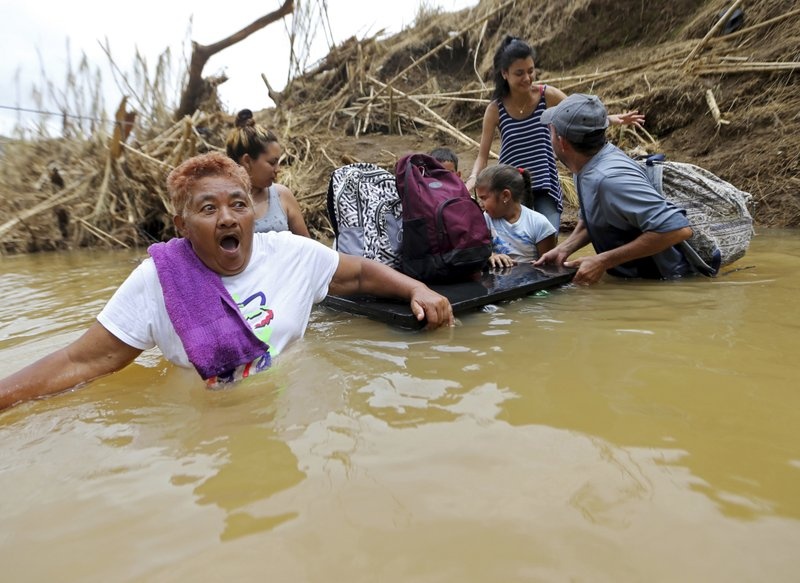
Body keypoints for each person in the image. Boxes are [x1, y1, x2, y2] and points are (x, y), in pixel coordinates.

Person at [0, 152, 453, 411]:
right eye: (208, 208)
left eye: (238, 204)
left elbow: (355, 275)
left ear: (252, 213)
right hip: (208, 418)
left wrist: (417, 289)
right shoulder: (158, 281)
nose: (227, 217)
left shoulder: (289, 253)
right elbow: (81, 362)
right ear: (181, 224)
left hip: (296, 398)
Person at [465, 36, 645, 232]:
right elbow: (482, 156)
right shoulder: (495, 109)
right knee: (518, 243)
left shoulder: (546, 95)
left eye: (531, 71)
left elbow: (579, 115)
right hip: (511, 188)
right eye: (519, 73)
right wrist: (473, 178)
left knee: (548, 237)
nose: (527, 78)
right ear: (505, 73)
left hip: (545, 182)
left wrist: (610, 119)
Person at [534, 93, 695, 285]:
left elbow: (678, 229)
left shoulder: (609, 180)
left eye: (551, 131)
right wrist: (564, 248)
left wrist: (602, 260)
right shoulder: (584, 166)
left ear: (562, 142)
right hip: (635, 281)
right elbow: (594, 218)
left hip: (662, 284)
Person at [226, 109, 310, 236]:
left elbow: (308, 249)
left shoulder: (282, 195)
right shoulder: (223, 203)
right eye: (272, 163)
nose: (278, 169)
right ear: (247, 161)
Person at [475, 164, 557, 268]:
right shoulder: (486, 219)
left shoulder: (539, 224)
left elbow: (550, 268)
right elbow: (477, 251)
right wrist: (490, 255)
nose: (480, 204)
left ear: (505, 195)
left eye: (484, 198)